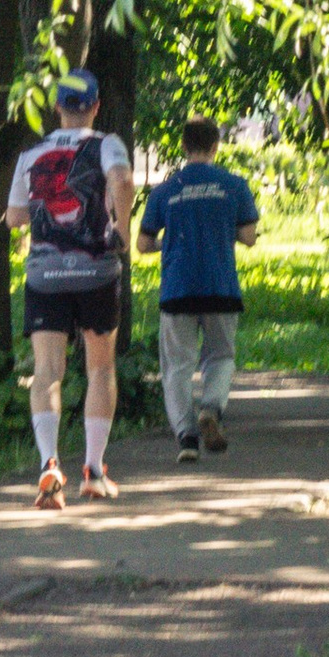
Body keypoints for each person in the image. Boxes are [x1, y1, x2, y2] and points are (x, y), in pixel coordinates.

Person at [4, 69, 134, 507]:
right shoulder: (106, 144)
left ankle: (49, 466)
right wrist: (122, 229)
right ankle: (94, 473)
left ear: (57, 107)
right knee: (100, 369)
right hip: (96, 272)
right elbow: (123, 181)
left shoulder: (31, 153)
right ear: (96, 106)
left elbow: (14, 218)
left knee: (47, 373)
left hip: (45, 277)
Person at [137, 115, 261, 463]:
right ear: (215, 145)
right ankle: (211, 407)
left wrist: (168, 243)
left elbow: (142, 244)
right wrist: (223, 231)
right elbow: (249, 237)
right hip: (221, 285)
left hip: (177, 288)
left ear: (183, 145)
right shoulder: (235, 185)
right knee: (220, 355)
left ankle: (187, 437)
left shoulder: (164, 190)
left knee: (177, 364)